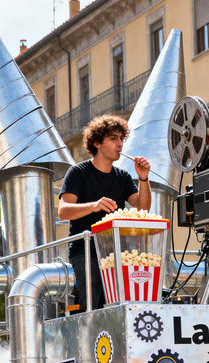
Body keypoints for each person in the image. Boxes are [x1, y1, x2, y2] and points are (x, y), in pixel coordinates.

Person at [57, 115, 151, 311]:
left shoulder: (123, 176)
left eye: (121, 139)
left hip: (117, 254)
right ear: (97, 143)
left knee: (118, 307)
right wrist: (94, 206)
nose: (120, 144)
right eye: (113, 138)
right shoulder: (78, 172)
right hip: (85, 252)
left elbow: (143, 209)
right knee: (90, 305)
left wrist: (143, 179)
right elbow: (63, 211)